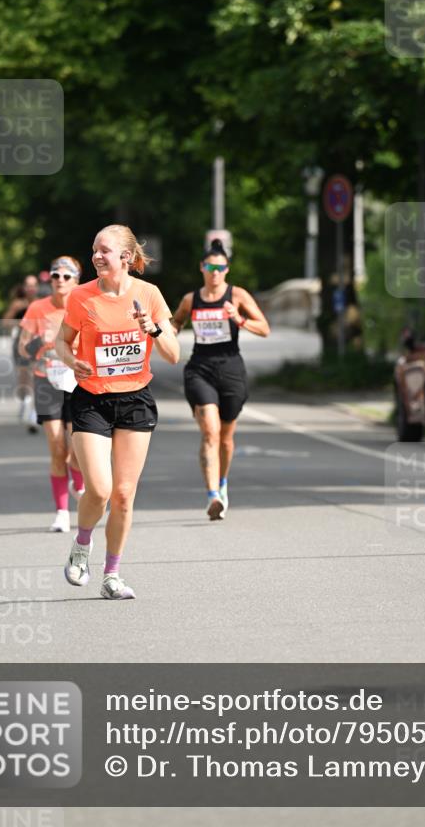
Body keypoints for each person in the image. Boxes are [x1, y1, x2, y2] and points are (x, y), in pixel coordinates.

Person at [55, 224, 179, 600]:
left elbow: (174, 354)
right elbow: (61, 341)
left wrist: (153, 328)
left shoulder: (149, 294)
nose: (96, 256)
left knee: (124, 495)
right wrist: (71, 360)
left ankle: (112, 574)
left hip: (135, 400)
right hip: (92, 398)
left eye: (104, 250)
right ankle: (81, 545)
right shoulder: (81, 296)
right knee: (101, 488)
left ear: (125, 257)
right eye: (94, 249)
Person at [171, 239, 270, 520]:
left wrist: (238, 319)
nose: (214, 272)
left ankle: (223, 484)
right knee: (210, 432)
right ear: (202, 268)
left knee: (226, 438)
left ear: (227, 270)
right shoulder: (192, 299)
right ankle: (212, 495)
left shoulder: (237, 295)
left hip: (231, 370)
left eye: (220, 267)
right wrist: (169, 333)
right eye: (209, 266)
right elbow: (176, 321)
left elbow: (264, 328)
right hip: (199, 369)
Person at [18, 257, 85, 533]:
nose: (60, 280)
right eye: (56, 275)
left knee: (77, 448)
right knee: (57, 448)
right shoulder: (37, 308)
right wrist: (41, 343)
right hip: (47, 382)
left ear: (76, 280)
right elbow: (22, 348)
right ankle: (61, 512)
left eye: (67, 276)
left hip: (78, 382)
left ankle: (78, 485)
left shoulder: (85, 305)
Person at [3, 275, 39, 431]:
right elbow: (5, 322)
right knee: (23, 377)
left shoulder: (41, 304)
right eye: (28, 285)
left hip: (37, 343)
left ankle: (32, 411)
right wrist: (23, 323)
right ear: (23, 288)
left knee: (35, 375)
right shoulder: (18, 304)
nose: (30, 288)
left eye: (33, 285)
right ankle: (25, 401)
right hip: (20, 343)